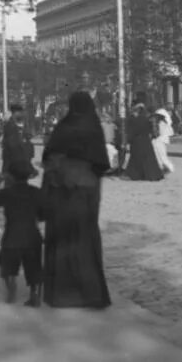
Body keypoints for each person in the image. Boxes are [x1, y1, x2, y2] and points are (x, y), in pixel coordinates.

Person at [40, 91, 112, 309]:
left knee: (62, 239)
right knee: (85, 238)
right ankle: (89, 293)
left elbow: (48, 157)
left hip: (62, 190)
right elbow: (102, 163)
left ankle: (62, 294)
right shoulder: (93, 127)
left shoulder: (63, 127)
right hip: (86, 191)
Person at [0, 159, 47, 306]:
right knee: (34, 267)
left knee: (6, 262)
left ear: (10, 177)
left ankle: (11, 286)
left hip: (12, 236)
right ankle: (35, 294)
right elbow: (45, 214)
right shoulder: (35, 192)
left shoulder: (7, 192)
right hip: (32, 236)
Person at [122, 97, 164, 181]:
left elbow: (130, 131)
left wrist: (128, 141)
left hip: (137, 141)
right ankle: (152, 175)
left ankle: (137, 175)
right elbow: (151, 130)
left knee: (136, 159)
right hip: (146, 141)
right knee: (148, 159)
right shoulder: (147, 118)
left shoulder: (132, 119)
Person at [1, 103, 35, 176]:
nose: (21, 114)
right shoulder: (9, 124)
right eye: (19, 112)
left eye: (21, 112)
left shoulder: (24, 123)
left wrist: (27, 136)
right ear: (14, 113)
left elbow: (29, 134)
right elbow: (9, 142)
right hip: (12, 155)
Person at [152, 108, 176, 175]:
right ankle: (162, 168)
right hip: (161, 140)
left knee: (161, 155)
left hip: (160, 140)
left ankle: (169, 168)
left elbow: (160, 133)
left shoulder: (162, 123)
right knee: (160, 155)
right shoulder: (164, 123)